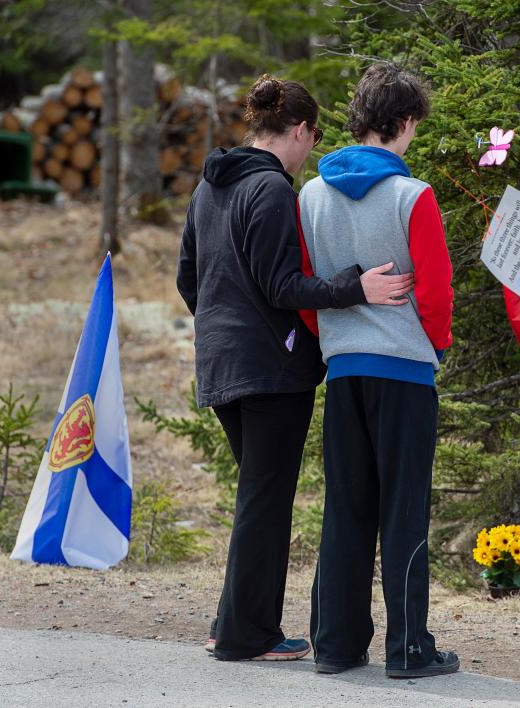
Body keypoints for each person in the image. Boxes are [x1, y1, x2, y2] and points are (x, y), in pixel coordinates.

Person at [176, 73, 414, 662]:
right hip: (270, 369)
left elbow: (189, 278)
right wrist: (353, 287)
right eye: (314, 140)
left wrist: (221, 326)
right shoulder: (273, 191)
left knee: (257, 495)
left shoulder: (211, 188)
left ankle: (229, 622)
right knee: (266, 497)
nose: (312, 154)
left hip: (218, 362)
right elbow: (285, 286)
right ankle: (245, 636)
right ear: (302, 130)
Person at [298, 62, 458, 678]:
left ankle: (335, 645)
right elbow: (437, 292)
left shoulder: (311, 194)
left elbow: (311, 288)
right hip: (405, 370)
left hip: (343, 371)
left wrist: (333, 342)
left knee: (346, 508)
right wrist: (434, 349)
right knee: (403, 510)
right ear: (407, 121)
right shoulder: (412, 196)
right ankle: (409, 648)